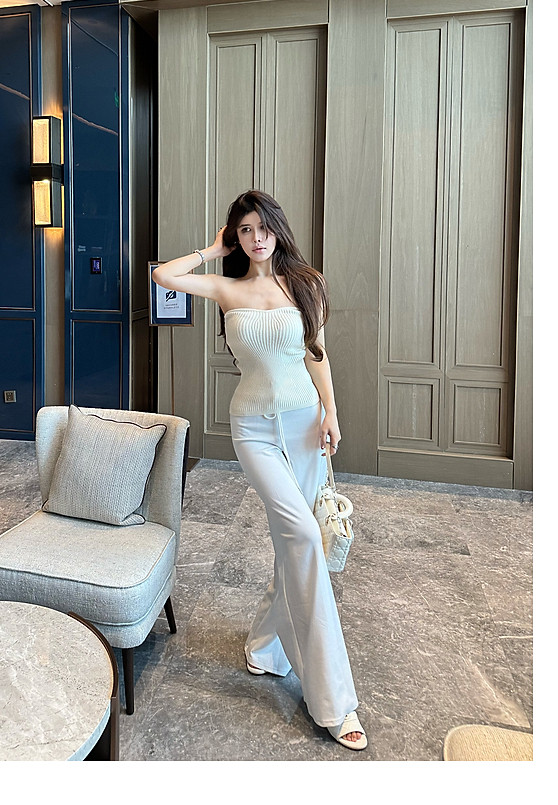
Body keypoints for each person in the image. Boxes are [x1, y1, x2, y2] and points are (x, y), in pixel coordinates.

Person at [152, 189, 367, 751]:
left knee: (293, 547)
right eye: (244, 230)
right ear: (235, 237)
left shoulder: (307, 284)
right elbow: (163, 276)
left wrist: (331, 413)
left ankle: (268, 647)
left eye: (263, 227)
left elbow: (316, 353)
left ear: (278, 228)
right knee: (304, 538)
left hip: (305, 425)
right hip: (253, 430)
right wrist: (211, 250)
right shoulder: (228, 288)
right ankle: (334, 700)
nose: (256, 238)